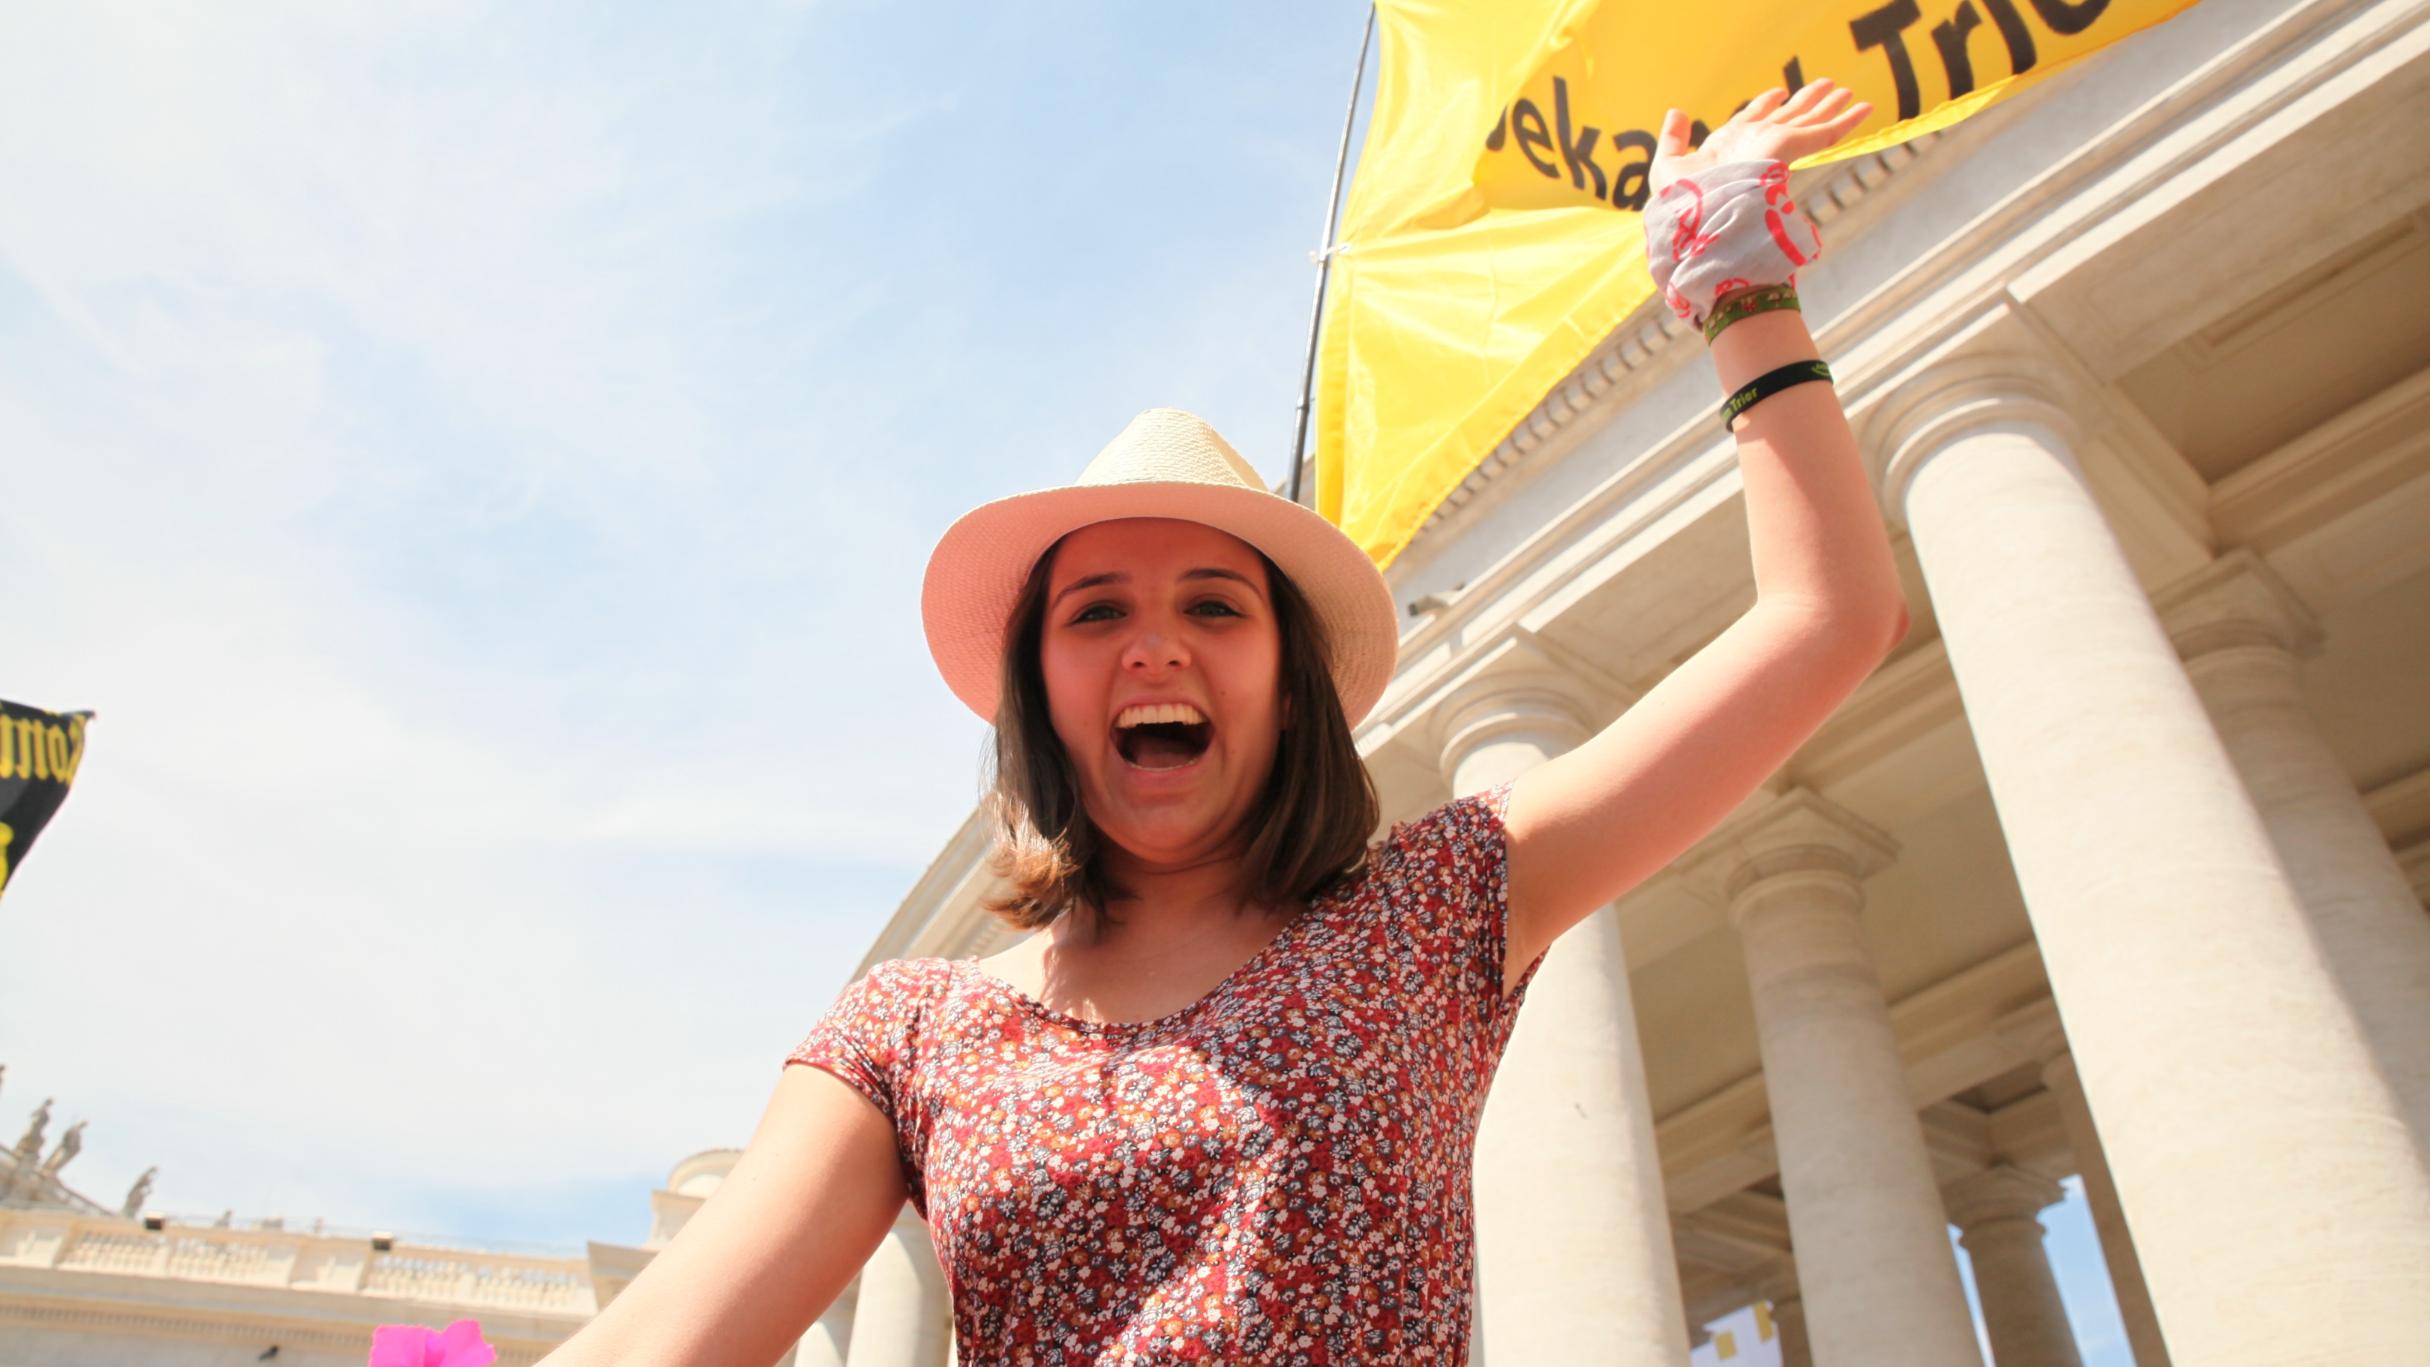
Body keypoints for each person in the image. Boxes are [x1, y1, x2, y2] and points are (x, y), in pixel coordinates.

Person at [541, 80, 1898, 1366]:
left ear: (1289, 682)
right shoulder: (905, 1033)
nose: (1154, 644)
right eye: (1093, 614)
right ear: (1037, 696)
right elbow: (661, 1338)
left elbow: (1822, 620)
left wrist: (1739, 293)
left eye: (1213, 606)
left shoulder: (1437, 909)